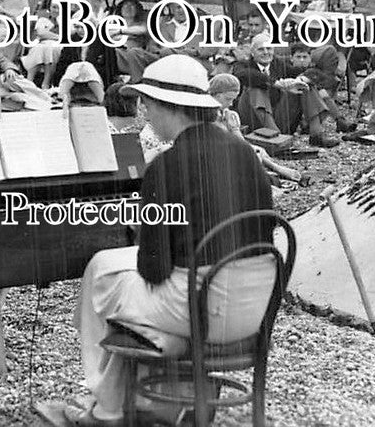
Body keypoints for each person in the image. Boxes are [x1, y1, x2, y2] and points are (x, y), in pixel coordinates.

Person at [64, 55, 276, 426]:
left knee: (100, 276)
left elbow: (154, 269)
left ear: (170, 107)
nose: (145, 114)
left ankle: (109, 405)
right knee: (111, 269)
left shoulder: (165, 165)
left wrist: (143, 238)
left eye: (148, 105)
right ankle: (158, 397)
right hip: (255, 306)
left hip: (203, 310)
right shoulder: (246, 154)